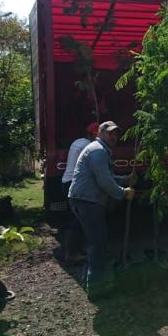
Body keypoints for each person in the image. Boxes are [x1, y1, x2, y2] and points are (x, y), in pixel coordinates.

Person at [68, 120, 136, 300]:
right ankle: (95, 289)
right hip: (87, 200)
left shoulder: (100, 149)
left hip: (85, 199)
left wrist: (124, 179)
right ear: (100, 133)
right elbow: (104, 181)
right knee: (98, 243)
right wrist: (123, 193)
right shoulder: (98, 151)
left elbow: (107, 176)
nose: (114, 136)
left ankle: (90, 280)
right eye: (110, 133)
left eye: (116, 133)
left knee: (96, 241)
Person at [61, 122, 99, 262]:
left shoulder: (78, 142)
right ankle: (71, 254)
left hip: (67, 181)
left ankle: (75, 249)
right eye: (97, 135)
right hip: (74, 183)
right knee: (76, 219)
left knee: (76, 218)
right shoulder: (87, 146)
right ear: (91, 135)